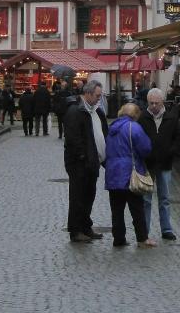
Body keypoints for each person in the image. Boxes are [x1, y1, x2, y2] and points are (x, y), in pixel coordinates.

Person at [63, 79, 108, 243]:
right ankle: (75, 230)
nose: (99, 98)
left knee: (89, 196)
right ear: (87, 94)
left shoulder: (96, 111)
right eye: (97, 95)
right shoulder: (75, 111)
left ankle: (86, 226)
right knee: (78, 197)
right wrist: (83, 157)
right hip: (80, 163)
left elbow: (103, 132)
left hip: (93, 162)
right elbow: (73, 139)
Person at [104, 102, 155, 248]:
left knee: (117, 210)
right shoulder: (134, 127)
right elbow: (145, 148)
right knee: (136, 208)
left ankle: (118, 239)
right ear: (135, 114)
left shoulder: (112, 128)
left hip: (113, 174)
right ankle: (142, 238)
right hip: (129, 174)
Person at [138, 87, 180, 241]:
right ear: (147, 102)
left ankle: (166, 229)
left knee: (165, 198)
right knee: (146, 200)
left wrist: (171, 151)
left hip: (165, 164)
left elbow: (179, 139)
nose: (154, 106)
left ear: (162, 102)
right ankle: (145, 231)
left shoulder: (171, 118)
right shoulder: (143, 117)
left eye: (157, 103)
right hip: (148, 164)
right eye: (151, 103)